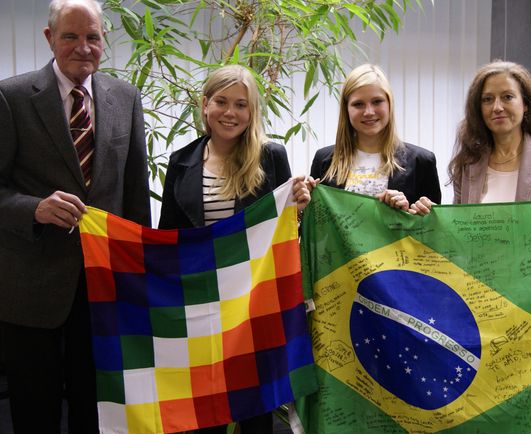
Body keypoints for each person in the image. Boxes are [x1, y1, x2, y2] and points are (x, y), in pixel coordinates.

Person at [0, 0, 151, 432]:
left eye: (92, 37)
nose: (83, 47)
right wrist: (34, 208)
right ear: (50, 38)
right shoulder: (10, 97)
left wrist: (137, 274)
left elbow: (135, 194)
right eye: (71, 36)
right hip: (30, 286)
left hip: (104, 282)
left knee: (97, 407)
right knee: (34, 409)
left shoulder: (126, 97)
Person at [158, 64, 311, 433]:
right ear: (205, 105)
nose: (231, 112)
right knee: (206, 410)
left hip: (253, 305)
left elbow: (285, 232)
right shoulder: (181, 162)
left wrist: (299, 207)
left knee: (255, 409)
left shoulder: (271, 156)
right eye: (222, 102)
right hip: (202, 304)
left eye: (241, 104)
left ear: (252, 111)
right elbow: (168, 236)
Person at [410, 60, 531, 214]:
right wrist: (431, 215)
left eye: (507, 97)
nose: (497, 107)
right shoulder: (468, 163)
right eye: (487, 99)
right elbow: (460, 230)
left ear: (525, 104)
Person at [309, 63, 441, 210]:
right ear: (346, 110)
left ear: (389, 104)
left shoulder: (421, 162)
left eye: (377, 101)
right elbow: (315, 224)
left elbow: (433, 229)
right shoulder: (324, 160)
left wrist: (409, 212)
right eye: (358, 104)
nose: (369, 112)